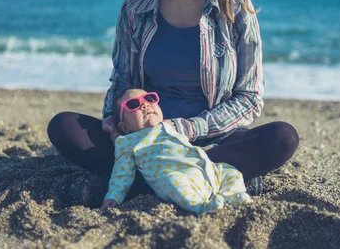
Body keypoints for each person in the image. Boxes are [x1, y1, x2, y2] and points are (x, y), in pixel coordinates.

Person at [47, 0, 300, 207]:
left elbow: (248, 99)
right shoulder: (135, 8)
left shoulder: (235, 7)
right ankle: (209, 178)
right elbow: (123, 81)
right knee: (64, 126)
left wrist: (186, 128)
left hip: (212, 141)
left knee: (282, 137)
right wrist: (115, 118)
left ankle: (137, 182)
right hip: (146, 145)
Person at [101, 88, 251, 214]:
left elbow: (186, 147)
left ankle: (231, 196)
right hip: (174, 174)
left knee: (230, 172)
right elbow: (122, 173)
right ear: (124, 127)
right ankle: (202, 207)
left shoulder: (168, 127)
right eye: (133, 104)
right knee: (174, 184)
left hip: (204, 168)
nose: (145, 105)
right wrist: (113, 196)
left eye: (149, 98)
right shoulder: (128, 142)